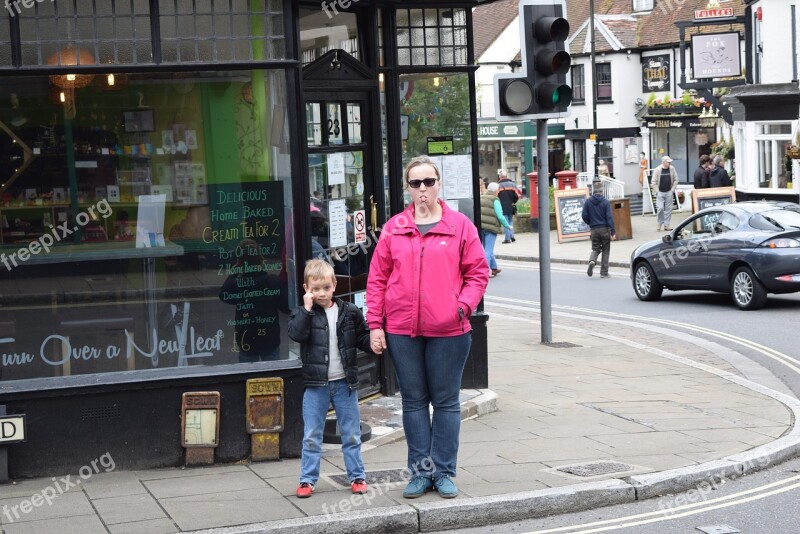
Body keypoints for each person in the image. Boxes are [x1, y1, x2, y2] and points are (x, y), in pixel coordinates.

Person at [366, 156, 488, 499]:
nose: (423, 189)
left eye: (429, 182)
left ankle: (445, 472)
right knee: (415, 403)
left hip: (450, 330)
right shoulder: (394, 228)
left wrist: (462, 307)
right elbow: (377, 279)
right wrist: (376, 324)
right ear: (408, 187)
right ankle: (420, 473)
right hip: (402, 330)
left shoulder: (461, 226)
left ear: (439, 184)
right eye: (416, 183)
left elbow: (478, 274)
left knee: (447, 402)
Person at [288, 259, 372, 499]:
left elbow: (362, 337)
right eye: (315, 289)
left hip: (345, 383)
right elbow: (296, 334)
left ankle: (357, 476)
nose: (321, 293)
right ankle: (307, 480)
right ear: (306, 289)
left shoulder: (349, 312)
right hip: (316, 386)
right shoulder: (303, 313)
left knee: (351, 433)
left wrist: (375, 344)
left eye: (326, 287)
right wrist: (305, 309)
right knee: (312, 435)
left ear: (334, 285)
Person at [219, 239, 288, 362]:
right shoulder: (272, 282)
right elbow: (286, 307)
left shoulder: (237, 283)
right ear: (261, 259)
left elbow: (224, 294)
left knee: (248, 377)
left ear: (239, 262)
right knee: (273, 375)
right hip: (270, 340)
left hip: (246, 340)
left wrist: (235, 271)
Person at [582, 181, 616, 278]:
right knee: (605, 250)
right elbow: (609, 217)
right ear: (602, 191)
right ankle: (604, 272)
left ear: (593, 191)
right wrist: (613, 231)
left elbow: (584, 215)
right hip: (605, 229)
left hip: (594, 229)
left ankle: (592, 261)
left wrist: (590, 222)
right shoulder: (605, 202)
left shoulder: (588, 202)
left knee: (596, 248)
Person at [480, 182, 513, 278]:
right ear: (496, 191)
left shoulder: (481, 198)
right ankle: (486, 271)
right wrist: (507, 226)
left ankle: (494, 267)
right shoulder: (495, 200)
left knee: (487, 249)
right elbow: (500, 216)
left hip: (481, 227)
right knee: (488, 251)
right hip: (491, 227)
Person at [651, 155, 678, 231]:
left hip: (669, 192)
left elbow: (676, 179)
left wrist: (672, 190)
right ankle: (659, 223)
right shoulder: (657, 170)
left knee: (668, 209)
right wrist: (657, 191)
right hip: (660, 192)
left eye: (670, 162)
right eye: (668, 162)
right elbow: (653, 182)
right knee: (660, 208)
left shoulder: (672, 169)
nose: (670, 163)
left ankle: (666, 225)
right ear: (664, 162)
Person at [496, 170, 518, 243]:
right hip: (511, 205)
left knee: (505, 222)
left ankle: (507, 239)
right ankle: (512, 236)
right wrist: (513, 202)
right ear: (506, 176)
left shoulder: (498, 186)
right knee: (510, 221)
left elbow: (496, 196)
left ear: (500, 177)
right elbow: (517, 196)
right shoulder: (513, 185)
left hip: (502, 206)